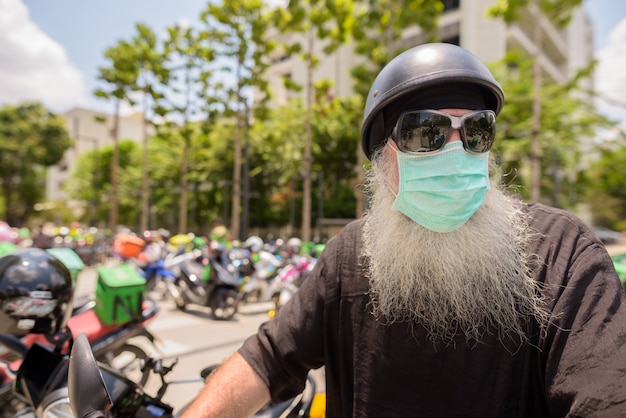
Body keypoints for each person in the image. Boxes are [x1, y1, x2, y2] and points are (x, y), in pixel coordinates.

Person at [181, 43, 626, 417]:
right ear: (382, 158)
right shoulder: (350, 255)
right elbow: (268, 359)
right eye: (425, 131)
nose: (456, 148)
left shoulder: (562, 252)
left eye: (476, 130)